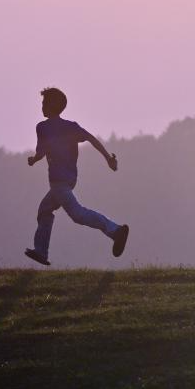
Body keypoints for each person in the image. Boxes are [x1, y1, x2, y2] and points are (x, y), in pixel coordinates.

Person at [23, 87, 129, 266]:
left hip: (59, 182)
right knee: (45, 210)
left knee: (77, 214)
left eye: (44, 103)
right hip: (68, 180)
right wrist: (108, 158)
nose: (41, 106)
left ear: (51, 105)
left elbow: (41, 151)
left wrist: (33, 160)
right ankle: (41, 251)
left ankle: (115, 230)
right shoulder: (70, 127)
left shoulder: (43, 127)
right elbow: (91, 139)